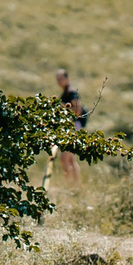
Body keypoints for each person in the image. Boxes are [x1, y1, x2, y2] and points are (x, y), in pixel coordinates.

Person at [44, 68, 90, 199]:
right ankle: (76, 186)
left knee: (65, 158)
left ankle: (70, 186)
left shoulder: (71, 93)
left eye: (61, 78)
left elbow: (77, 109)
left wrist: (65, 114)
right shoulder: (66, 93)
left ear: (67, 79)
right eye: (57, 79)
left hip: (73, 127)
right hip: (72, 127)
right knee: (71, 159)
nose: (59, 81)